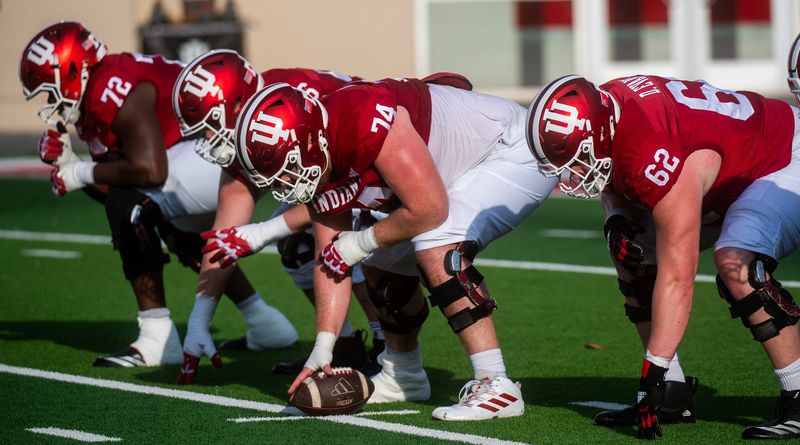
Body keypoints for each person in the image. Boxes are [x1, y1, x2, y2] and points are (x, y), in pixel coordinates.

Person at [204, 76, 557, 420]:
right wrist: (323, 348)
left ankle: (495, 382)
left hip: (510, 150)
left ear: (309, 141)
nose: (290, 182)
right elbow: (331, 260)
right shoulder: (319, 153)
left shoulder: (363, 116)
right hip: (450, 174)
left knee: (436, 241)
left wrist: (359, 241)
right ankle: (403, 374)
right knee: (382, 267)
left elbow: (430, 209)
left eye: (291, 168)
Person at [527, 74, 800, 440]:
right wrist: (616, 219)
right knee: (631, 252)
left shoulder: (656, 149)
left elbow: (679, 277)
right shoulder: (610, 109)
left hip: (782, 156)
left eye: (579, 159)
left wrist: (648, 377)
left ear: (601, 134)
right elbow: (613, 176)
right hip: (731, 164)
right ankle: (672, 394)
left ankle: (797, 394)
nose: (573, 174)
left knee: (737, 263)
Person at [20, 21, 295, 368]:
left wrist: (81, 172)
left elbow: (150, 172)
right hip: (207, 152)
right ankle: (265, 322)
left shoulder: (113, 88)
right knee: (160, 216)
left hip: (228, 144)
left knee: (141, 205)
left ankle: (157, 336)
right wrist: (74, 166)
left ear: (73, 70)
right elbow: (118, 193)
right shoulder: (97, 95)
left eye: (50, 88)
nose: (51, 101)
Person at [170, 50, 382, 383]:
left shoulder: (288, 106)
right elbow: (225, 233)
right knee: (296, 246)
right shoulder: (251, 124)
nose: (210, 138)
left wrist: (264, 231)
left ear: (238, 104)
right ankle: (343, 344)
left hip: (373, 179)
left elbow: (334, 193)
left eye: (212, 125)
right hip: (334, 187)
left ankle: (385, 341)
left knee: (343, 243)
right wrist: (200, 317)